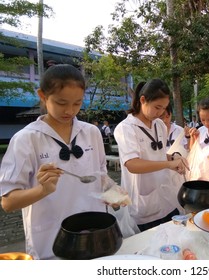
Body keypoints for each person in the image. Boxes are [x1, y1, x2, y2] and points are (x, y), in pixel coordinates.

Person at [0, 64, 137, 259]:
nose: (70, 111)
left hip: (95, 234)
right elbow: (8, 202)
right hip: (52, 241)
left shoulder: (91, 133)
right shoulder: (27, 139)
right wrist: (42, 190)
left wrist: (113, 192)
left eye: (77, 103)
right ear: (43, 95)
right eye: (61, 103)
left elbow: (100, 176)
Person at [114, 79, 187, 232]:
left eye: (164, 108)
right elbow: (132, 164)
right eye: (157, 107)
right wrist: (168, 164)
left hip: (167, 198)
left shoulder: (159, 125)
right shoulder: (126, 128)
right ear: (143, 100)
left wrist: (173, 158)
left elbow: (159, 155)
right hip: (143, 203)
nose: (160, 113)